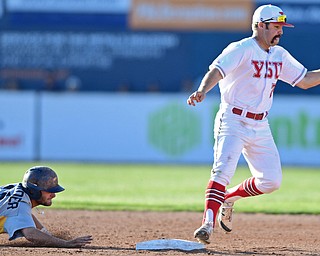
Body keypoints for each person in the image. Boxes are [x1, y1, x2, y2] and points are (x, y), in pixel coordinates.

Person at [187, 4, 320, 244]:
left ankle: (228, 199)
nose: (280, 31)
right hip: (233, 120)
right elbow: (217, 70)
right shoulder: (241, 49)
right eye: (276, 26)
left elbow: (306, 80)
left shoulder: (279, 55)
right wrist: (202, 90)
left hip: (260, 124)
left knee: (271, 181)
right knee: (222, 171)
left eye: (282, 27)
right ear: (261, 25)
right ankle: (206, 224)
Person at [0, 166, 92, 247]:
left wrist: (46, 234)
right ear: (34, 191)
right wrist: (66, 243)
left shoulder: (19, 190)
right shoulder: (19, 206)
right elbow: (30, 234)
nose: (53, 195)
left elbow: (25, 214)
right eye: (49, 191)